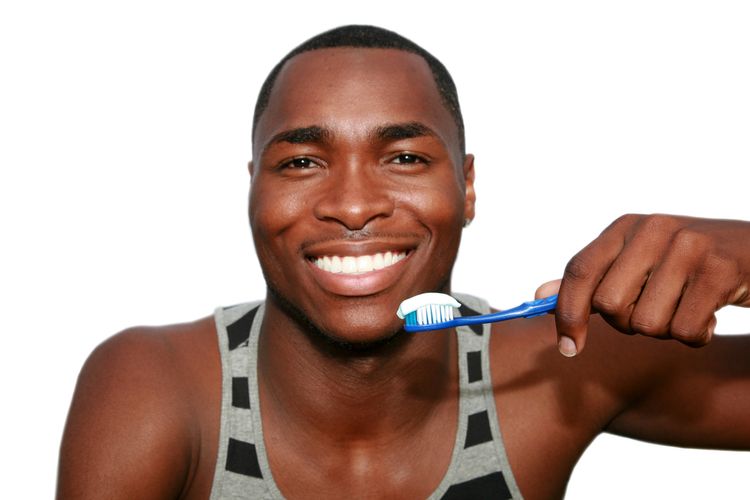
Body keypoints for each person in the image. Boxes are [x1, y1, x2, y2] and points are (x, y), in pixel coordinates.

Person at [57, 25, 750, 499]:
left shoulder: (558, 366)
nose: (354, 206)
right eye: (301, 162)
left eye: (405, 158)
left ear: (467, 187)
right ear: (253, 189)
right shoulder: (155, 385)